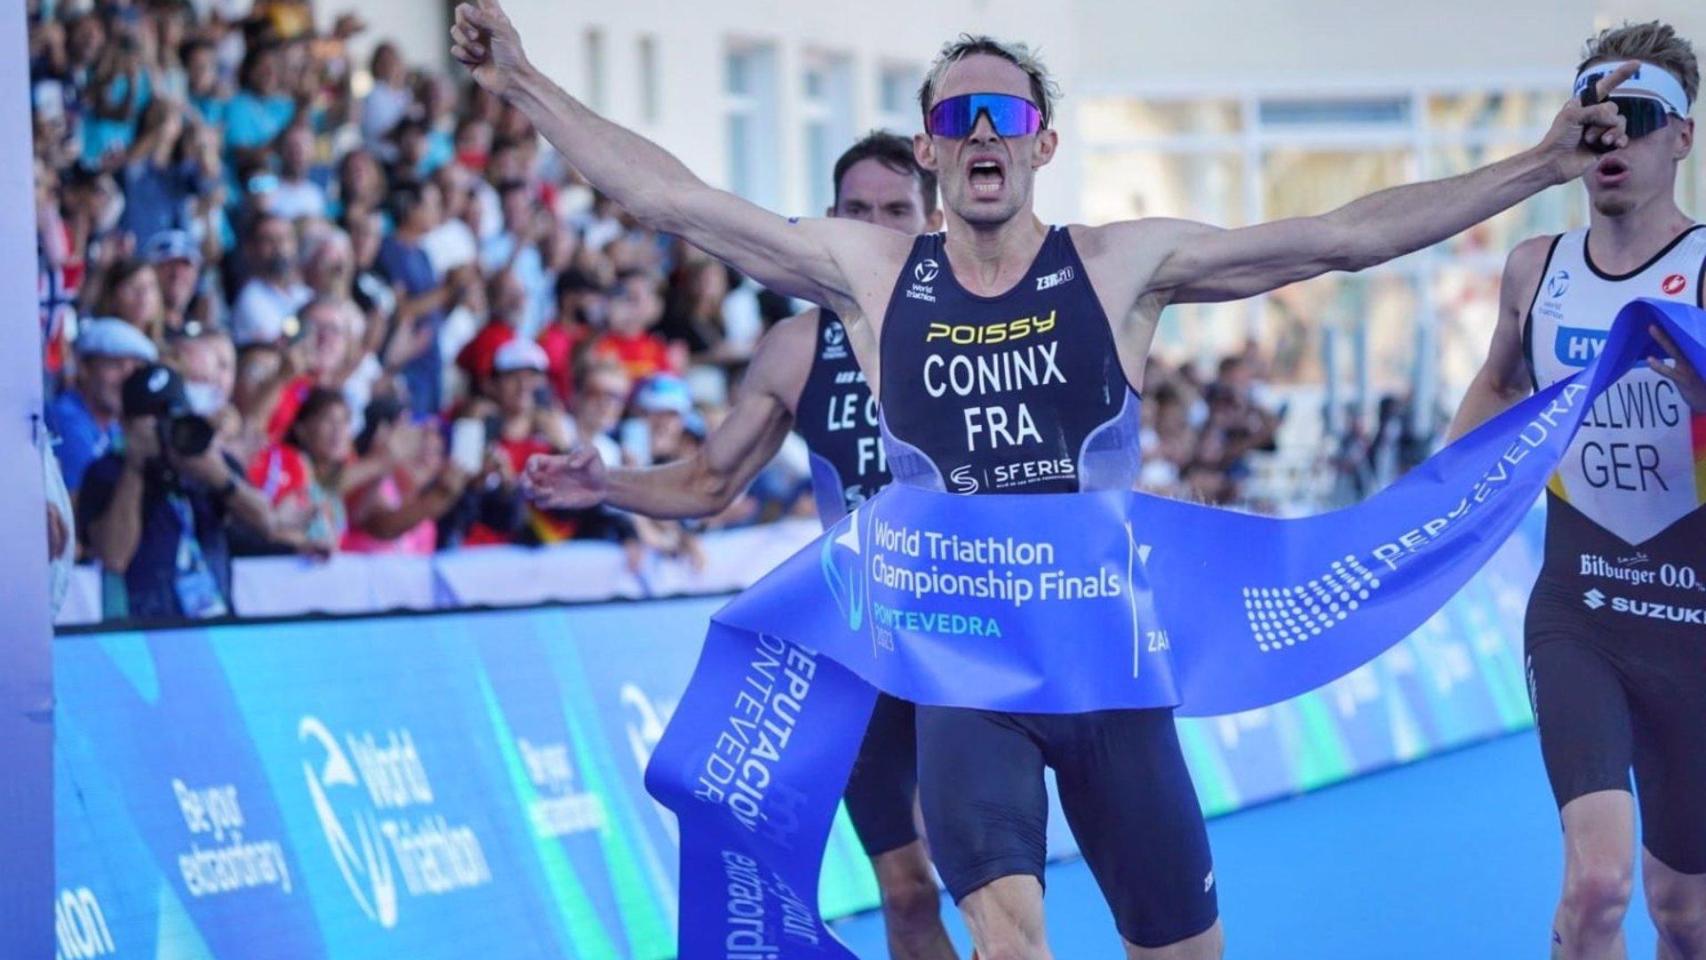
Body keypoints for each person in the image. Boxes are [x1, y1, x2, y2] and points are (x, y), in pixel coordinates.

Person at [455, 4, 1628, 955]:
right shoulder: (869, 274)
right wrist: (525, 85)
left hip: (1111, 675)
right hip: (966, 672)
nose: (980, 134)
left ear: (1038, 145)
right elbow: (670, 199)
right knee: (1006, 945)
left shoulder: (1121, 268)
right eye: (955, 116)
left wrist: (1532, 164)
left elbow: (1339, 238)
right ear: (927, 147)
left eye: (1003, 114)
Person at [519, 131, 957, 959]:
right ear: (829, 222)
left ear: (930, 222)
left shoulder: (975, 329)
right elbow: (709, 484)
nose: (872, 227)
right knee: (907, 892)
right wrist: (605, 483)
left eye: (894, 212)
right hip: (864, 654)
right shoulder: (799, 348)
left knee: (991, 883)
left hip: (970, 643)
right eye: (856, 211)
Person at [1444, 22, 1706, 960]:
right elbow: (1501, 383)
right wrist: (1434, 501)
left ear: (1682, 137)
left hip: (1694, 619)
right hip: (1581, 608)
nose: (1614, 139)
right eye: (1595, 119)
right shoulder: (1536, 269)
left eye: (1639, 118)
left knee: (1687, 915)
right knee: (1597, 887)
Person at [78, 363, 275, 620]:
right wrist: (134, 469)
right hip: (142, 636)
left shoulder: (211, 464)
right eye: (153, 418)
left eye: (173, 416)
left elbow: (267, 523)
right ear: (126, 424)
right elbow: (114, 557)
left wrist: (219, 477)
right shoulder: (107, 472)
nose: (165, 427)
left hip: (218, 632)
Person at [49, 318, 158, 495]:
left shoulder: (113, 425)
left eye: (134, 369)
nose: (127, 379)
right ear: (84, 368)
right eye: (116, 365)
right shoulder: (65, 419)